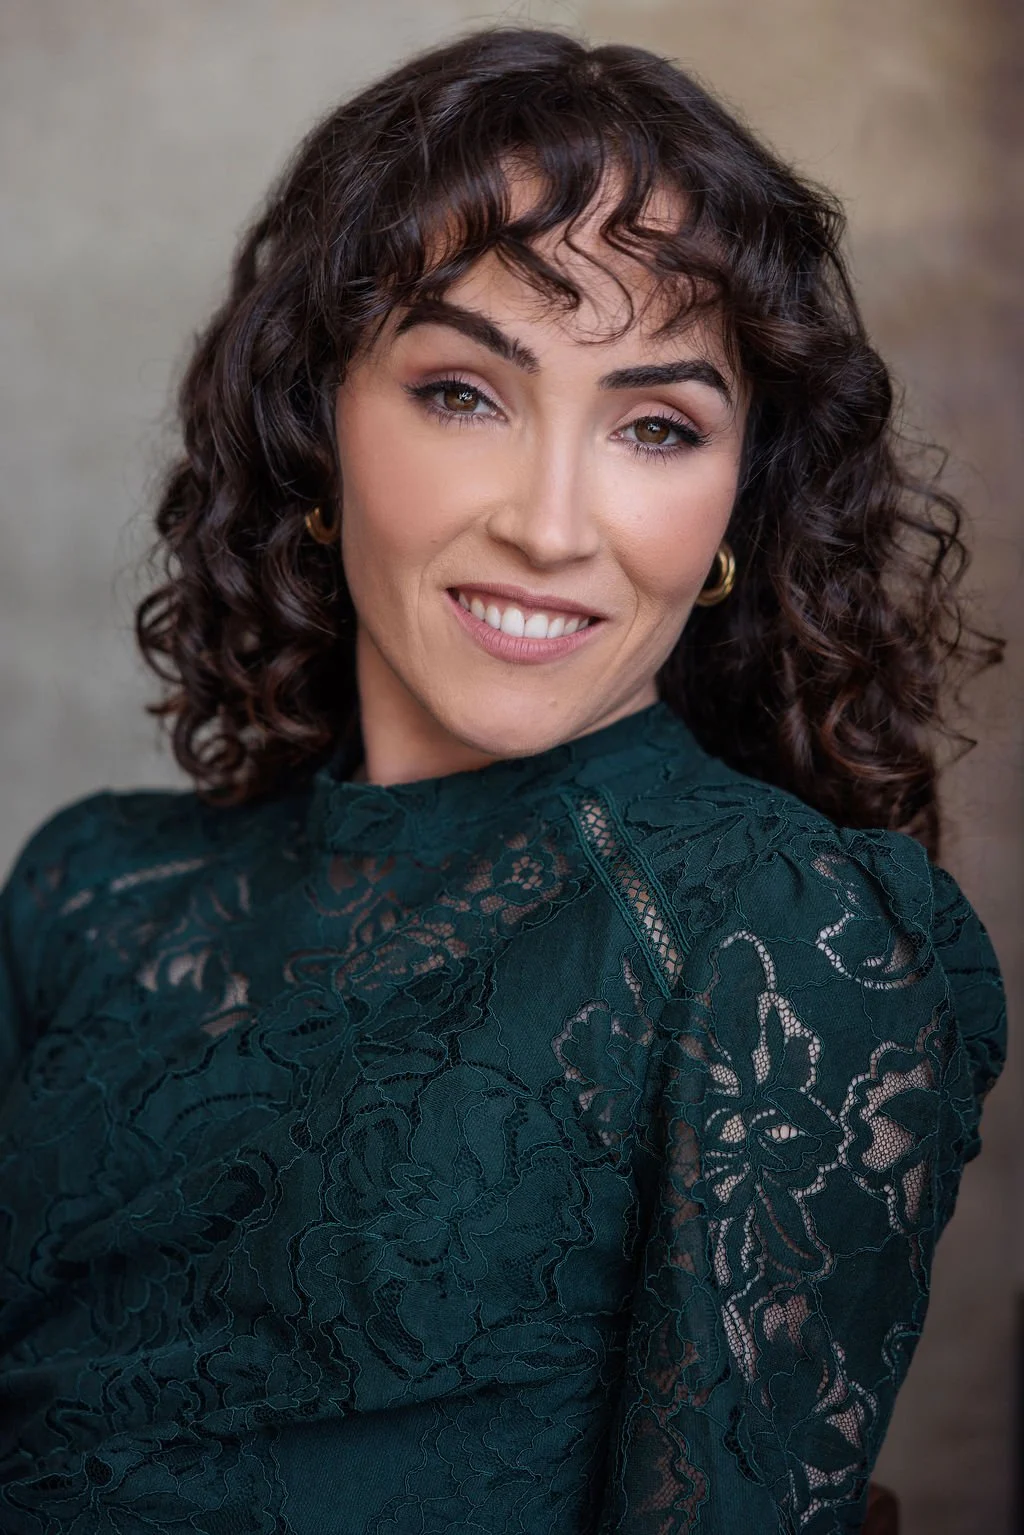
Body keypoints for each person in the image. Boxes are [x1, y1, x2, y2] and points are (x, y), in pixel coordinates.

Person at [0, 26, 1006, 1535]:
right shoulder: (94, 891)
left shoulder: (787, 937)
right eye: (465, 391)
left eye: (657, 426)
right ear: (318, 422)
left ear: (737, 504)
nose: (551, 526)